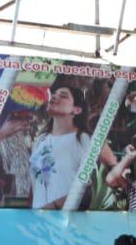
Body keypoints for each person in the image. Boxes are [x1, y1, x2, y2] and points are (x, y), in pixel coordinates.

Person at [30, 80, 91, 209]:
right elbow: (35, 182)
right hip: (39, 221)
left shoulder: (83, 139)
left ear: (77, 110)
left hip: (67, 221)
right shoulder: (41, 139)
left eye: (63, 96)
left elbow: (87, 188)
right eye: (54, 94)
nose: (54, 97)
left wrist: (53, 206)